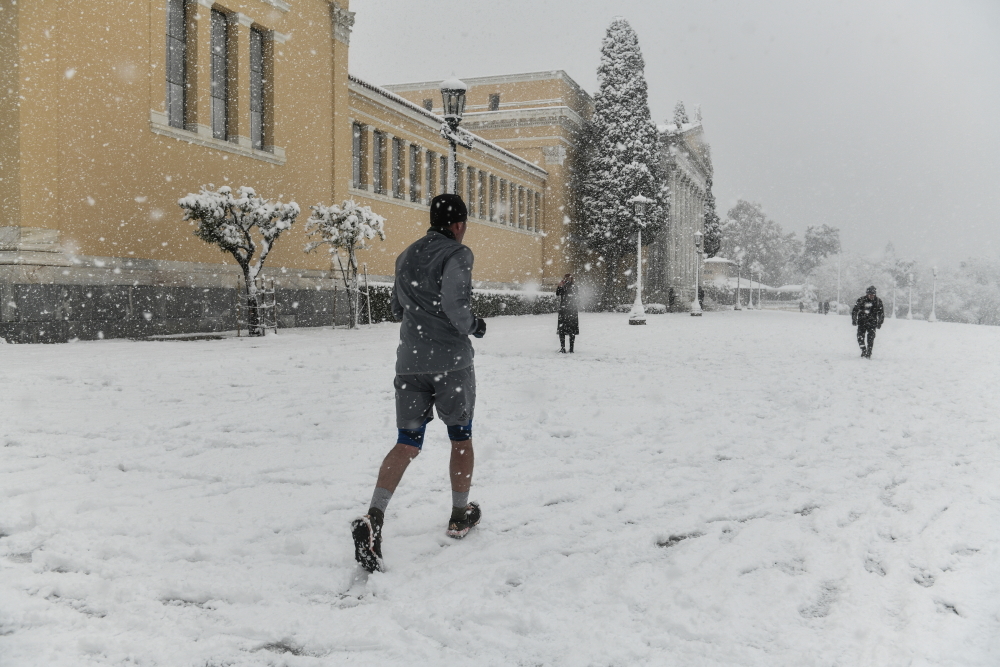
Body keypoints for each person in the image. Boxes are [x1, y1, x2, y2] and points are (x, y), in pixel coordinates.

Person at [351, 193, 487, 573]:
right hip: (451, 364)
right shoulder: (458, 254)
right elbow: (457, 307)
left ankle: (374, 516)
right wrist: (475, 325)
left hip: (410, 363)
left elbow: (396, 308)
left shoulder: (406, 255)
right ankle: (460, 514)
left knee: (406, 443)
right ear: (458, 225)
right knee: (460, 436)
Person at [852, 285, 885, 359]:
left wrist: (880, 322)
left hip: (872, 322)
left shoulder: (878, 301)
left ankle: (869, 352)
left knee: (871, 338)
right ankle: (863, 350)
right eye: (870, 294)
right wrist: (854, 319)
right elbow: (855, 310)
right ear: (867, 294)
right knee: (860, 337)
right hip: (862, 322)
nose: (871, 296)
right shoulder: (861, 300)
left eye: (873, 295)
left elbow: (881, 313)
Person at [555, 273, 579, 353]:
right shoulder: (574, 287)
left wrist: (560, 286)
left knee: (563, 329)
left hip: (565, 310)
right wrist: (560, 286)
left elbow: (558, 294)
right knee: (571, 329)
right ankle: (570, 348)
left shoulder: (567, 286)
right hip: (571, 310)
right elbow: (558, 293)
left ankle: (563, 348)